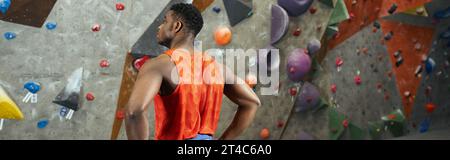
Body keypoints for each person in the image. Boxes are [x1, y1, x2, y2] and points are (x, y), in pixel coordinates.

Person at [124, 3, 260, 140]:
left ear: (176, 26)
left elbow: (133, 112)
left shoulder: (159, 65)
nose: (159, 27)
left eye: (165, 21)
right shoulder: (219, 68)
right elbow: (252, 102)